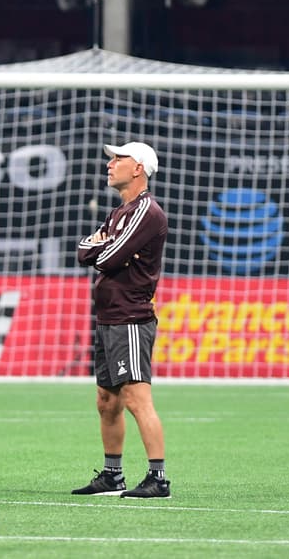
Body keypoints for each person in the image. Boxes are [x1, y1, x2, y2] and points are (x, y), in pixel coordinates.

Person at [73, 141, 171, 500]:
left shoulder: (147, 211)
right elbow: (84, 251)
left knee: (136, 397)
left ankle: (158, 478)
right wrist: (98, 247)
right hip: (109, 316)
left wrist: (100, 247)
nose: (110, 164)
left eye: (119, 158)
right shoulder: (119, 213)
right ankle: (112, 474)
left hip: (131, 317)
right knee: (106, 400)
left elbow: (106, 257)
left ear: (139, 168)